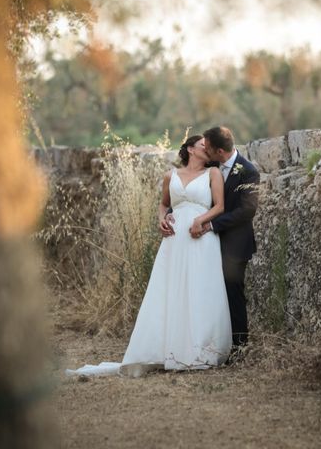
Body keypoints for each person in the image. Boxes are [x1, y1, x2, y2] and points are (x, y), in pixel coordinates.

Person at [66, 135, 232, 376]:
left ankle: (200, 351)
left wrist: (200, 220)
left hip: (200, 237)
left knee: (199, 288)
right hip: (174, 240)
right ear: (189, 149)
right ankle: (168, 349)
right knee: (171, 289)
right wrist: (161, 219)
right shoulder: (170, 175)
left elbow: (220, 206)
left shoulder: (213, 174)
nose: (207, 148)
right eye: (202, 144)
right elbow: (164, 204)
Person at [163, 126, 260, 349]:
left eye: (207, 147)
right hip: (204, 242)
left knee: (232, 292)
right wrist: (170, 216)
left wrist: (212, 224)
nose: (204, 149)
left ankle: (238, 347)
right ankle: (204, 342)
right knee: (204, 290)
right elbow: (188, 195)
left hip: (234, 242)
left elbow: (247, 210)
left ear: (218, 151)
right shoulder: (211, 166)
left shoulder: (248, 172)